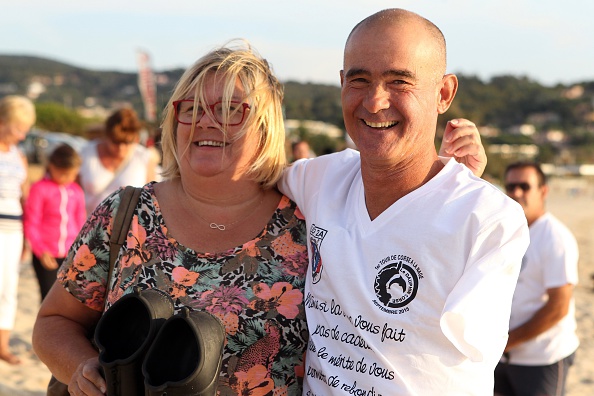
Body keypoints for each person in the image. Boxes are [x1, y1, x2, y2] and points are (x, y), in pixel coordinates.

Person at [33, 42, 310, 395]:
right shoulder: (127, 213)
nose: (207, 121)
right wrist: (82, 369)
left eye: (229, 110)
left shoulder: (309, 227)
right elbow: (54, 321)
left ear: (266, 127)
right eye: (192, 108)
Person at [278, 9, 530, 395]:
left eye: (399, 81)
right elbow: (244, 175)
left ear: (443, 93)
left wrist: (454, 193)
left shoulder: (486, 220)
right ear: (342, 83)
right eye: (359, 80)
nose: (376, 102)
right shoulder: (319, 180)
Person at [494, 161, 579, 396]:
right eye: (511, 187)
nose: (517, 192)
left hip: (543, 358)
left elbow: (558, 307)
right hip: (501, 358)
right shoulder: (506, 234)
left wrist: (507, 342)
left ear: (543, 191)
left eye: (524, 186)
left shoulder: (554, 237)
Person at [24, 143, 86, 301]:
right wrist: (40, 250)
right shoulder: (39, 189)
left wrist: (79, 251)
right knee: (48, 299)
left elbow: (81, 223)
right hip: (46, 255)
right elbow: (31, 222)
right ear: (52, 166)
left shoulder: (76, 191)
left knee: (69, 299)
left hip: (70, 256)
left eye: (72, 174)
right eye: (64, 174)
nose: (68, 178)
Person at [0, 94, 36, 365]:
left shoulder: (19, 155)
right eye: (18, 128)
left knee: (8, 286)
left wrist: (27, 237)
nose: (22, 135)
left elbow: (24, 196)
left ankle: (2, 345)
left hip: (13, 229)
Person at [78, 107, 157, 214]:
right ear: (106, 136)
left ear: (136, 139)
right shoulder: (86, 153)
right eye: (116, 142)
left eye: (127, 142)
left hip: (128, 228)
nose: (121, 148)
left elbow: (151, 199)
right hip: (88, 226)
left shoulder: (144, 158)